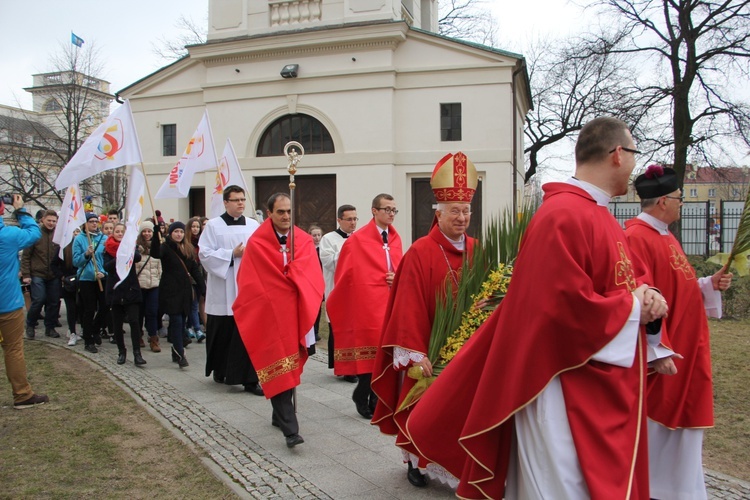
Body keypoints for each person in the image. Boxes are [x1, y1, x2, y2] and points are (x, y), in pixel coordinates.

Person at [406, 118, 669, 499]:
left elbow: (627, 279)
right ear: (616, 155)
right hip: (559, 387)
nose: (633, 165)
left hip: (594, 382)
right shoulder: (562, 215)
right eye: (633, 154)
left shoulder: (600, 215)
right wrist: (632, 310)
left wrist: (648, 296)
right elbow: (558, 307)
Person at [370, 152, 478, 488]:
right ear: (439, 213)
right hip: (428, 346)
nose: (461, 218)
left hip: (467, 348)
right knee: (425, 406)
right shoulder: (421, 251)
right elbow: (407, 305)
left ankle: (459, 463)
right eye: (454, 211)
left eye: (466, 211)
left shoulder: (478, 249)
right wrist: (416, 353)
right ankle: (416, 461)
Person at [625, 164, 733, 500]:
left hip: (687, 348)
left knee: (685, 429)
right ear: (661, 203)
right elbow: (640, 301)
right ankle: (657, 490)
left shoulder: (664, 234)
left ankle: (682, 488)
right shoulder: (636, 238)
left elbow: (676, 288)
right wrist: (657, 352)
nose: (681, 203)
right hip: (665, 357)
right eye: (678, 198)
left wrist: (707, 285)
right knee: (659, 428)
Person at [233, 193, 324, 448]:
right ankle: (290, 430)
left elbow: (312, 276)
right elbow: (251, 281)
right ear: (269, 213)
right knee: (277, 363)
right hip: (270, 315)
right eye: (280, 212)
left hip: (296, 312)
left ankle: (278, 415)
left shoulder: (303, 241)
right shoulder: (258, 243)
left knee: (291, 363)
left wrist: (296, 275)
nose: (285, 216)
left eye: (288, 212)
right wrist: (278, 288)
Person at [328, 194, 403, 419]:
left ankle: (375, 398)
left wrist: (396, 278)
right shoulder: (357, 240)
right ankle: (362, 394)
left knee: (386, 354)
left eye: (394, 210)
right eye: (387, 209)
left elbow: (400, 267)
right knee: (371, 351)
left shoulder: (395, 239)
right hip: (367, 305)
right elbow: (346, 275)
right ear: (374, 211)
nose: (391, 213)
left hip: (390, 303)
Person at [198, 186, 263, 395]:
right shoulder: (214, 226)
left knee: (248, 335)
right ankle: (221, 368)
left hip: (247, 287)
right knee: (223, 333)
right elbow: (205, 254)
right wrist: (231, 254)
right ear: (226, 202)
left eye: (243, 199)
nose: (241, 203)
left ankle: (250, 379)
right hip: (224, 287)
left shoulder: (254, 225)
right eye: (235, 200)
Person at [0, 194, 49, 408]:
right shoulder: (8, 235)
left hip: (8, 300)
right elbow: (33, 233)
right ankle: (22, 394)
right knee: (13, 349)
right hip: (7, 302)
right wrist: (20, 210)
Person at [151, 221, 205, 368]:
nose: (179, 234)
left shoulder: (188, 249)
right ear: (171, 233)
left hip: (185, 291)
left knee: (181, 321)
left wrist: (203, 288)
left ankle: (175, 350)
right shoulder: (165, 247)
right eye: (176, 232)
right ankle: (181, 353)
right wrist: (156, 235)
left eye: (181, 232)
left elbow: (194, 270)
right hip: (170, 290)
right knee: (176, 321)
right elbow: (155, 253)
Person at [318, 204, 358, 381]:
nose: (353, 223)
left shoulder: (359, 238)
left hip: (356, 291)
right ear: (339, 220)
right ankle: (343, 367)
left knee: (354, 330)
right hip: (336, 289)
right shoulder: (328, 239)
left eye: (355, 219)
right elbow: (328, 262)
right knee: (338, 329)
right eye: (349, 219)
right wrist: (349, 250)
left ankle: (354, 366)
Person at [103, 223, 146, 366]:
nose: (120, 233)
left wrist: (129, 251)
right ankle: (121, 351)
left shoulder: (130, 247)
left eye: (122, 231)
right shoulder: (108, 249)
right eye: (117, 231)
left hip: (131, 291)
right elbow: (107, 267)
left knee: (134, 321)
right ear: (113, 233)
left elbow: (139, 258)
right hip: (115, 290)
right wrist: (120, 257)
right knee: (117, 324)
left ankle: (137, 353)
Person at [22, 209, 62, 339]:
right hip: (37, 273)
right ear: (42, 220)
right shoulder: (35, 234)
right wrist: (26, 274)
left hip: (53, 274)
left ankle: (50, 327)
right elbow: (26, 256)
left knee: (54, 301)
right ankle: (30, 325)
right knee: (39, 299)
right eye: (49, 220)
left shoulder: (58, 234)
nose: (51, 223)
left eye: (54, 221)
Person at [73, 212, 108, 353]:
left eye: (96, 221)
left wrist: (104, 272)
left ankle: (95, 329)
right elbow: (76, 261)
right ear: (85, 224)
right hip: (86, 279)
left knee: (105, 306)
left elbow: (108, 260)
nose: (94, 223)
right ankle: (88, 340)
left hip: (101, 277)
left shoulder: (104, 239)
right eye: (91, 221)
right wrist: (86, 254)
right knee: (89, 309)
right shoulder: (79, 239)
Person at [136, 221, 162, 353]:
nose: (147, 234)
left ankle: (153, 338)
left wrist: (159, 279)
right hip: (139, 285)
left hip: (154, 285)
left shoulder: (157, 247)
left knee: (152, 312)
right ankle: (138, 336)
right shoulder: (136, 247)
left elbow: (160, 267)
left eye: (149, 231)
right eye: (144, 231)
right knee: (139, 313)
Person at [60, 228, 81, 346]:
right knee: (71, 308)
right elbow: (55, 264)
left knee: (81, 307)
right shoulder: (63, 249)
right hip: (68, 283)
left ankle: (83, 330)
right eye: (74, 232)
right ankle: (72, 331)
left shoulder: (83, 245)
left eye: (78, 231)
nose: (76, 234)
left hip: (81, 280)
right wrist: (62, 277)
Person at [186, 216, 206, 342]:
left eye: (197, 227)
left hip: (199, 275)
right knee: (192, 304)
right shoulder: (186, 242)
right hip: (189, 276)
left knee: (196, 302)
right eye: (193, 226)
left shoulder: (202, 241)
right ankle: (197, 329)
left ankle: (189, 326)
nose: (195, 229)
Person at [308, 225, 323, 342]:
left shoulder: (323, 249)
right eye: (314, 235)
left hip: (322, 281)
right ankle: (310, 330)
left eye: (319, 235)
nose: (317, 238)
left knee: (318, 308)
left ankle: (316, 331)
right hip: (310, 282)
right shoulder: (308, 249)